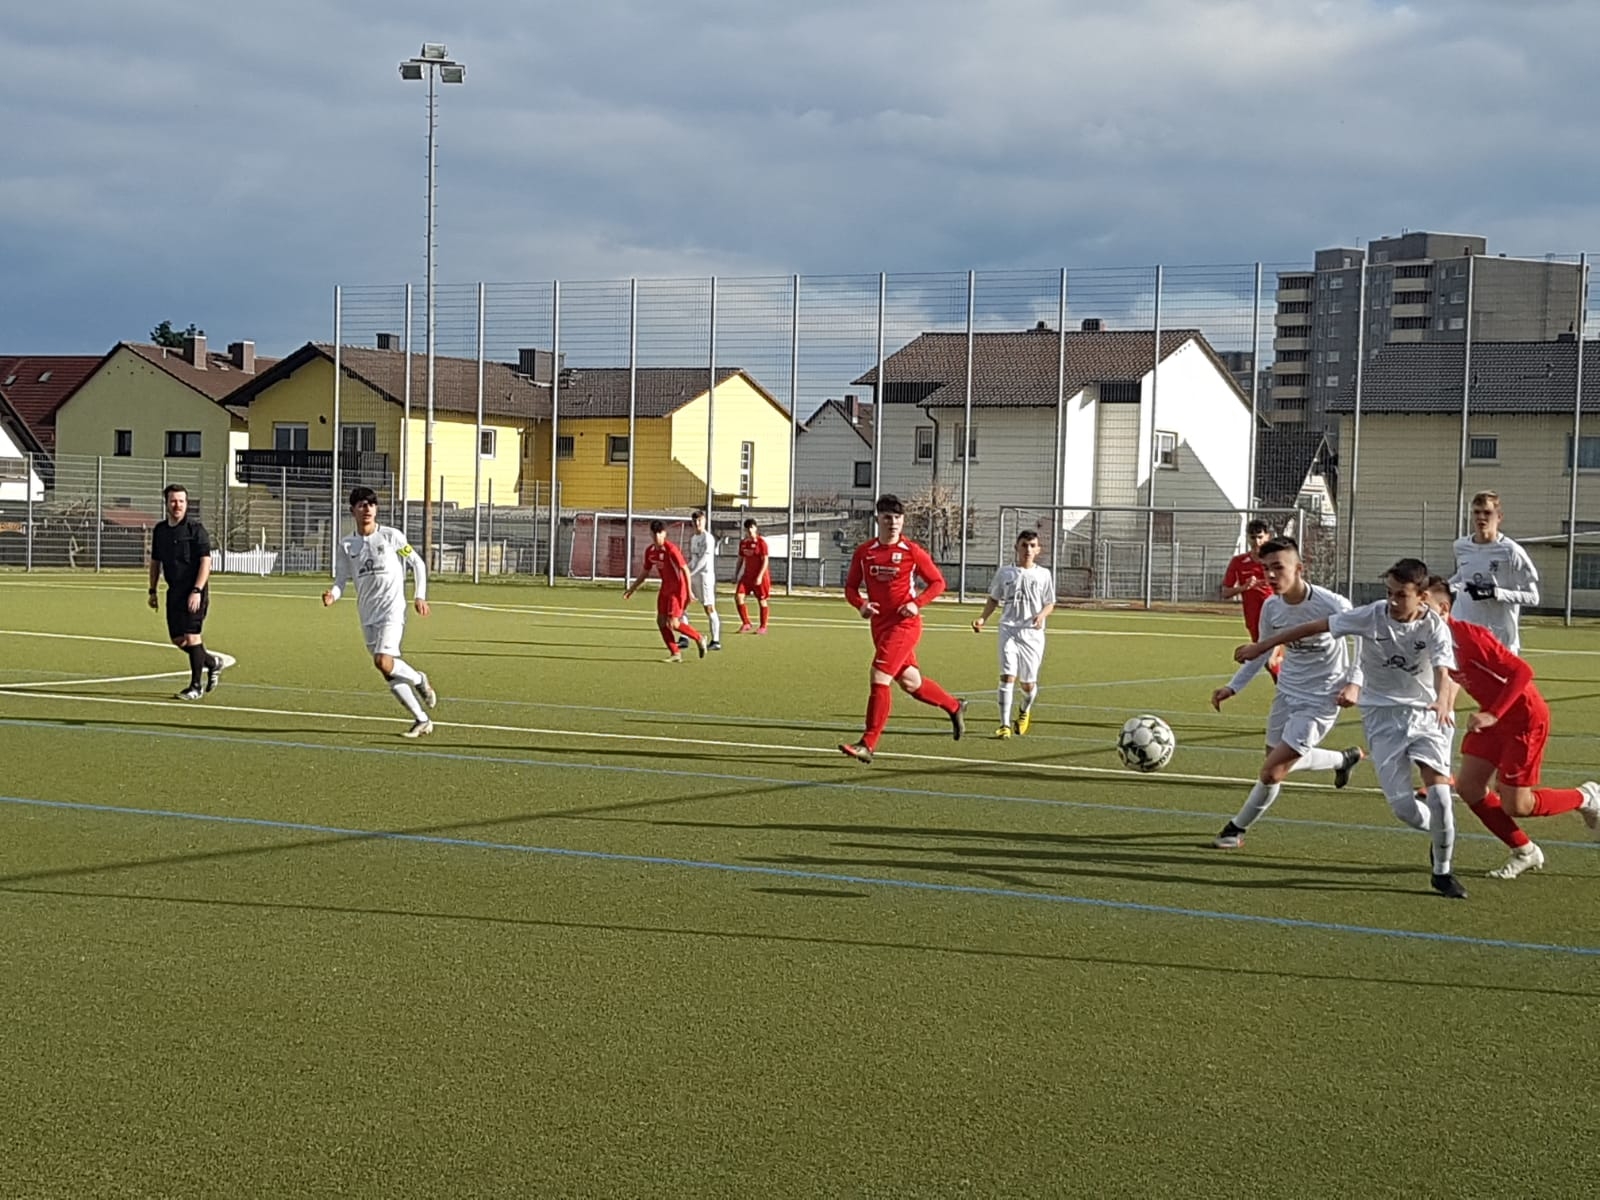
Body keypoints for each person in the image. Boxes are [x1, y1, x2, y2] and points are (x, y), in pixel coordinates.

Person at [1237, 558, 1466, 899]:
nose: (1392, 601)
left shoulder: (1434, 627)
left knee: (1441, 797)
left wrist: (1443, 702)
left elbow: (1444, 672)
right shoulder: (1371, 615)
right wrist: (1263, 645)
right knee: (1404, 809)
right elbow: (1313, 627)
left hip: (1427, 716)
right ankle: (1440, 834)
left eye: (1401, 595)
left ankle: (1442, 872)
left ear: (1421, 597)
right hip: (1382, 718)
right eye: (1388, 592)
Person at [1421, 575, 1600, 879]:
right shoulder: (1431, 641)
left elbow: (1522, 671)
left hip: (1524, 719)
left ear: (1443, 609)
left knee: (1518, 805)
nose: (1415, 612)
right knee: (1469, 787)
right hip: (1493, 719)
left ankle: (1587, 796)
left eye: (1423, 605)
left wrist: (1493, 714)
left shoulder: (1470, 637)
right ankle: (1525, 851)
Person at [1209, 537, 1366, 848]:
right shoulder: (1271, 606)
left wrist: (1354, 683)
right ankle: (1343, 759)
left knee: (1272, 771)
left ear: (1299, 569)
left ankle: (1235, 829)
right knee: (1275, 761)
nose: (1270, 575)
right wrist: (1233, 686)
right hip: (1287, 692)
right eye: (1266, 568)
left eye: (1278, 567)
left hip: (1321, 698)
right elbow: (1263, 650)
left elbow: (1364, 640)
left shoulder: (1332, 604)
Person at [839, 493, 966, 763]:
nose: (893, 522)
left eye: (898, 517)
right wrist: (861, 605)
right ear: (878, 519)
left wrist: (916, 604)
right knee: (911, 683)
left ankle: (868, 743)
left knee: (879, 676)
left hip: (905, 625)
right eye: (888, 517)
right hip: (880, 626)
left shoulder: (912, 551)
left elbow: (938, 583)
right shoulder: (865, 552)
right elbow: (850, 587)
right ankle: (954, 706)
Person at [322, 486, 438, 738]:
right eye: (362, 505)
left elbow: (417, 563)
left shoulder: (391, 536)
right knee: (387, 671)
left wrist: (420, 595)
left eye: (371, 504)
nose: (367, 509)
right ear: (352, 510)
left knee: (382, 660)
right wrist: (333, 595)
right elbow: (341, 580)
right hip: (367, 614)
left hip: (392, 610)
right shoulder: (347, 545)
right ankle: (422, 719)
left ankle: (419, 679)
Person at [971, 529, 1056, 738]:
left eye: (1032, 545)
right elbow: (994, 598)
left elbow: (1050, 603)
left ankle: (1025, 710)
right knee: (1007, 676)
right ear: (1016, 547)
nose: (1028, 549)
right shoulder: (1005, 573)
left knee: (1028, 684)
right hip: (1008, 629)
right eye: (1024, 545)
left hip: (1032, 634)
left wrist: (1042, 615)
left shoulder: (1044, 574)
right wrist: (983, 618)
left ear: (1038, 549)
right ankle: (1004, 725)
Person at [148, 483, 227, 700]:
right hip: (174, 591)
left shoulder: (196, 530)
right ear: (166, 503)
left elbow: (205, 563)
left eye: (181, 501)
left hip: (194, 591)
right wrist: (152, 590)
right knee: (178, 639)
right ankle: (212, 662)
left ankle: (195, 687)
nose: (178, 505)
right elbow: (155, 562)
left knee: (192, 636)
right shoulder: (160, 531)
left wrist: (197, 590)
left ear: (187, 503)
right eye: (173, 501)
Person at [1449, 490, 1540, 654]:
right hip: (1465, 632)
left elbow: (1533, 597)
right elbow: (1463, 577)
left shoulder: (1511, 551)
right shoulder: (1460, 546)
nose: (1481, 518)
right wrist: (1440, 588)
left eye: (1487, 513)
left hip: (1499, 638)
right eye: (1477, 512)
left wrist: (1495, 593)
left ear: (1499, 517)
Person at [624, 519, 706, 663]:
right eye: (654, 533)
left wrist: (689, 592)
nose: (657, 536)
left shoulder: (671, 549)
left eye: (660, 533)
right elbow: (645, 572)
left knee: (673, 623)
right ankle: (675, 653)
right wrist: (632, 588)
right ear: (651, 534)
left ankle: (699, 638)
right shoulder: (650, 551)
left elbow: (685, 570)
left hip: (678, 589)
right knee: (661, 621)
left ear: (664, 533)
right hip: (665, 588)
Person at [1223, 520, 1281, 680]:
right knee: (1271, 664)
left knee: (1271, 660)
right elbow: (1225, 592)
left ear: (1267, 537)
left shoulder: (1275, 561)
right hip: (1254, 619)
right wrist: (1244, 587)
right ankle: (1289, 692)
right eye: (1253, 537)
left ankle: (1291, 692)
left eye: (1260, 537)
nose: (1257, 541)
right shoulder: (1239, 562)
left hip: (1277, 615)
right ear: (1247, 538)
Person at [686, 510, 722, 650]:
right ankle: (684, 637)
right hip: (694, 577)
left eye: (700, 520)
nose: (697, 523)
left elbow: (704, 560)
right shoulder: (693, 539)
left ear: (705, 521)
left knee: (709, 608)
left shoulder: (708, 538)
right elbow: (694, 560)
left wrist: (690, 573)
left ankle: (716, 641)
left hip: (705, 578)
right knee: (682, 604)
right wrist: (685, 569)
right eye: (695, 521)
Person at [735, 518, 771, 634]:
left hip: (760, 577)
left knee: (762, 600)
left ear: (755, 528)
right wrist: (736, 574)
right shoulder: (743, 543)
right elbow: (740, 559)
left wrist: (760, 576)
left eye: (751, 527)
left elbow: (765, 561)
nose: (750, 530)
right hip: (747, 577)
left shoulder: (761, 543)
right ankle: (746, 623)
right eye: (747, 528)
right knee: (739, 597)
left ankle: (763, 626)